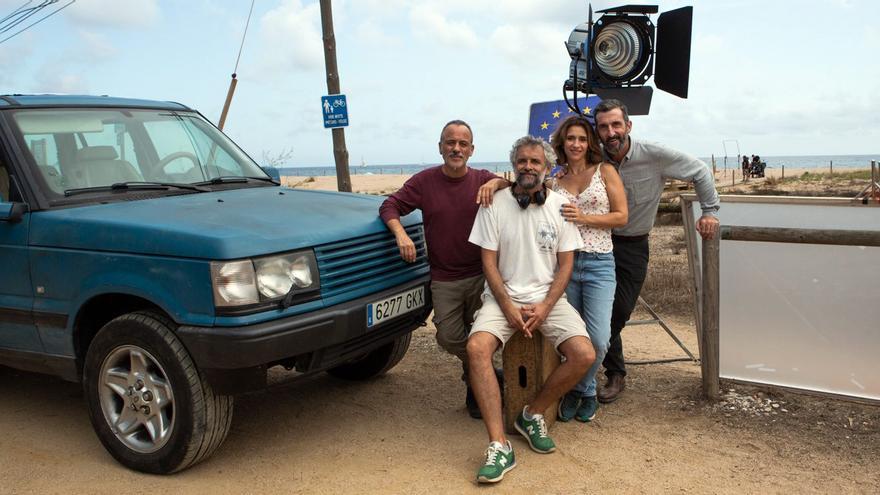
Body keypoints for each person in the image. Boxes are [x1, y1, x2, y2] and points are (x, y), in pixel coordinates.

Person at [466, 135, 595, 483]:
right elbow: (488, 263)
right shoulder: (493, 203)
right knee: (477, 348)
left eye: (535, 162)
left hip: (548, 300)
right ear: (513, 166)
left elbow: (565, 266)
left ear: (547, 167)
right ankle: (498, 444)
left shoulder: (560, 206)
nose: (528, 167)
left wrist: (545, 306)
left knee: (584, 354)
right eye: (522, 161)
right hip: (501, 298)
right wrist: (507, 306)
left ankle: (532, 413)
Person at [592, 99, 720, 404]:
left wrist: (709, 211)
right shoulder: (593, 157)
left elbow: (700, 171)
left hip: (634, 245)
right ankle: (615, 372)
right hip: (598, 244)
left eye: (615, 124)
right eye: (603, 127)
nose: (610, 132)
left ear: (628, 126)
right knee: (596, 309)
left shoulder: (655, 155)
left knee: (619, 311)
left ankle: (593, 365)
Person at [379, 120, 507, 418]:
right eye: (450, 142)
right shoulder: (424, 182)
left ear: (472, 149)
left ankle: (476, 390)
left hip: (482, 275)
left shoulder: (482, 179)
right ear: (440, 147)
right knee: (448, 337)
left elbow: (517, 187)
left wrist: (496, 183)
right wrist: (401, 234)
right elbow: (389, 206)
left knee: (482, 332)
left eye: (463, 143)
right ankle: (482, 370)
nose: (456, 148)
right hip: (444, 278)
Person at [547, 116, 628, 423]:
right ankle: (580, 391)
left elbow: (621, 217)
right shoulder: (554, 181)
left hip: (599, 264)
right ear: (562, 143)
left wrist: (583, 218)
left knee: (598, 338)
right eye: (571, 139)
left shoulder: (605, 171)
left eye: (582, 138)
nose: (576, 144)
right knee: (570, 336)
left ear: (589, 142)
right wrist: (496, 181)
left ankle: (582, 388)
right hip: (564, 265)